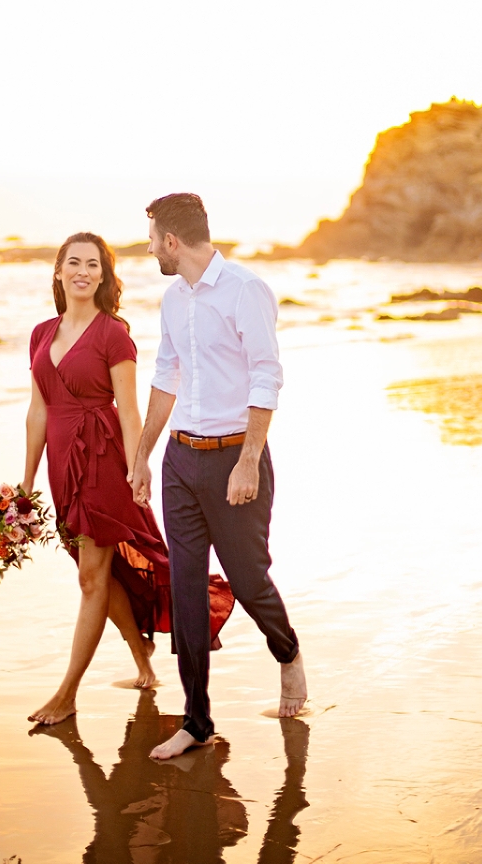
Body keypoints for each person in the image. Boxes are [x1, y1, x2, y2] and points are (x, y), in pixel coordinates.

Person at [23, 231, 233, 725]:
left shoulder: (113, 334)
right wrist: (27, 484)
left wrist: (139, 466)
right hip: (62, 467)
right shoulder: (40, 334)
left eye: (93, 264)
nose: (83, 271)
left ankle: (67, 694)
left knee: (90, 577)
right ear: (58, 271)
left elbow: (130, 410)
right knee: (98, 571)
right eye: (74, 262)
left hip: (102, 461)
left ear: (104, 276)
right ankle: (142, 654)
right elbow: (38, 412)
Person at [130, 195, 307, 760]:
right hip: (181, 461)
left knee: (249, 580)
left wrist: (249, 460)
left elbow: (266, 375)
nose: (150, 249)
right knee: (184, 589)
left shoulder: (245, 290)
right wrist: (143, 455)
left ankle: (288, 653)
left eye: (153, 239)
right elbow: (165, 376)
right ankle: (196, 721)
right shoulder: (172, 299)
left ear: (172, 241)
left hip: (236, 458)